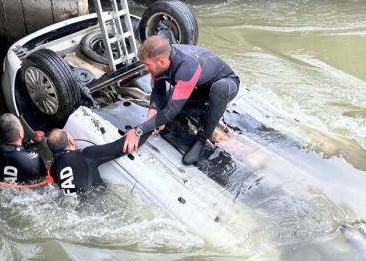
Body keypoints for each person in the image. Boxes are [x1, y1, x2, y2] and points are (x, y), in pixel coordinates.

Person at [122, 35, 240, 165]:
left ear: (161, 61)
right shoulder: (160, 58)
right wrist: (153, 109)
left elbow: (171, 111)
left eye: (147, 65)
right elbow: (158, 90)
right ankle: (200, 109)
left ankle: (201, 139)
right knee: (163, 109)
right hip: (196, 88)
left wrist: (138, 131)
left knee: (219, 88)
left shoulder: (187, 67)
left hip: (226, 84)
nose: (145, 68)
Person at [47, 128, 151, 196]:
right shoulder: (85, 155)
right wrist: (147, 128)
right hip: (95, 206)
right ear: (71, 141)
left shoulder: (53, 170)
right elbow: (123, 147)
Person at [0, 113, 47, 183]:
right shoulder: (33, 159)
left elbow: (14, 150)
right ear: (20, 133)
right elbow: (44, 182)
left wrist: (32, 141)